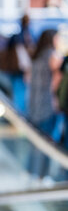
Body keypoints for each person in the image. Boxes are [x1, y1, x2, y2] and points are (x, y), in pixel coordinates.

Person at [27, 29, 62, 178]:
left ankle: (30, 173)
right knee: (47, 143)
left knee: (35, 142)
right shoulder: (52, 57)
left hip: (34, 105)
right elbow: (56, 82)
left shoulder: (35, 56)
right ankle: (43, 176)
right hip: (47, 106)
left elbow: (27, 79)